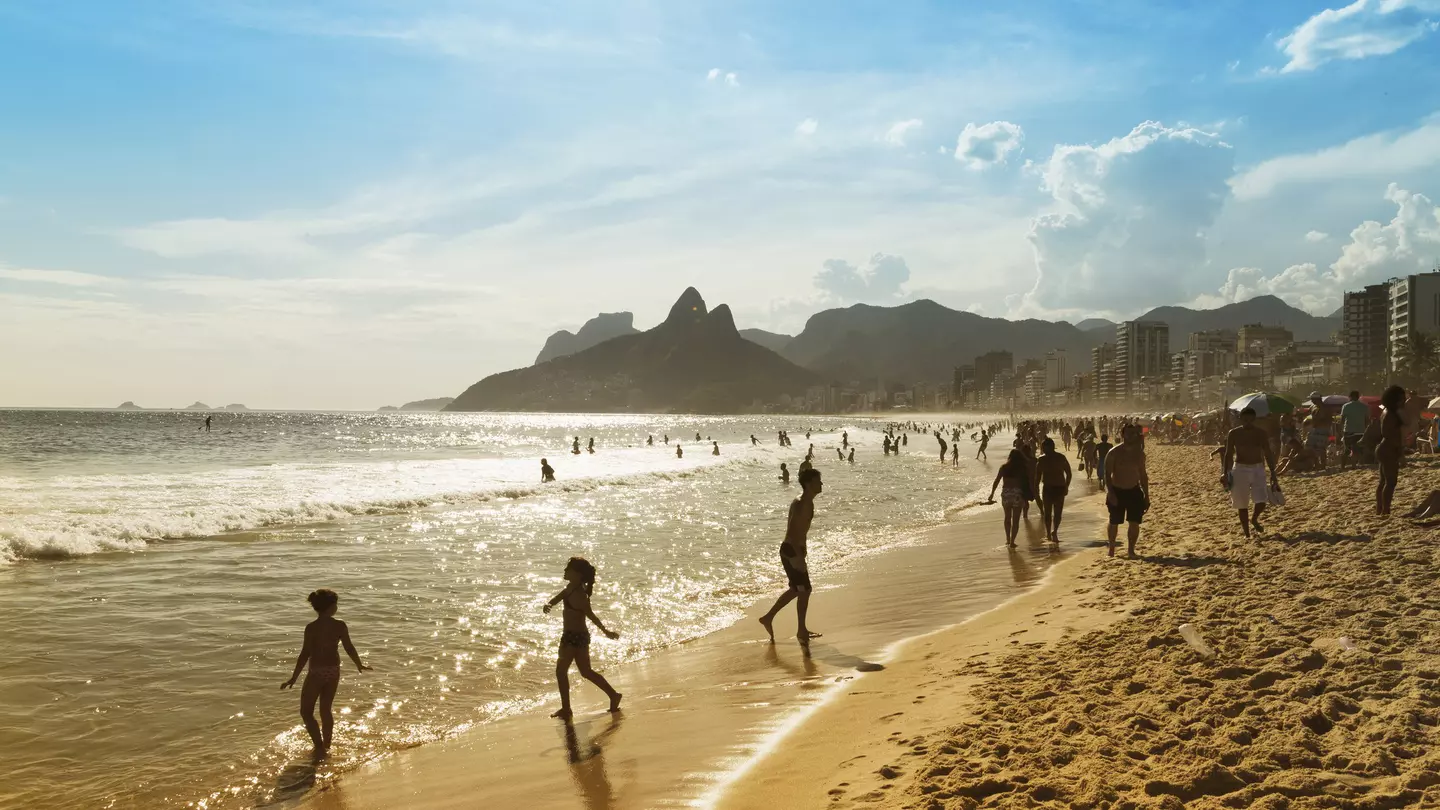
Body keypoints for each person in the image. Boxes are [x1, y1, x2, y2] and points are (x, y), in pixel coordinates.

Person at [280, 589, 371, 755]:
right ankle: (327, 745)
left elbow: (305, 653)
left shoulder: (311, 628)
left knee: (306, 712)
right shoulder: (340, 625)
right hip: (334, 671)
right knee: (325, 709)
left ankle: (319, 746)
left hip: (316, 672)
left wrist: (294, 677)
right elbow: (349, 647)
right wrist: (359, 664)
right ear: (331, 606)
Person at [543, 558, 622, 719]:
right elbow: (558, 598)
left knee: (561, 671)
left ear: (578, 575)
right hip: (579, 636)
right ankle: (613, 695)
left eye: (568, 568)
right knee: (585, 671)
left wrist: (605, 631)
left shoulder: (579, 594)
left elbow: (591, 615)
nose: (564, 570)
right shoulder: (571, 588)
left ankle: (567, 709)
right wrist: (549, 604)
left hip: (573, 637)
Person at [759, 468, 824, 645]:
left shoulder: (806, 502)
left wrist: (804, 549)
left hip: (794, 549)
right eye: (819, 481)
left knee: (798, 589)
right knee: (804, 590)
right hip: (791, 550)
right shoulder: (802, 503)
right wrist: (798, 556)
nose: (822, 484)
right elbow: (793, 532)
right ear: (810, 484)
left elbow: (801, 531)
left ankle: (768, 618)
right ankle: (800, 630)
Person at [1222, 407, 1280, 538]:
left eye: (1250, 419)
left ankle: (1254, 519)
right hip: (1240, 468)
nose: (1247, 422)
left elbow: (1267, 453)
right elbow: (1228, 454)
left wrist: (1273, 472)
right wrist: (1224, 472)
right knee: (1241, 503)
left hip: (1257, 468)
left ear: (1254, 419)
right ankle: (1246, 533)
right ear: (1241, 419)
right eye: (1245, 419)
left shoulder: (1261, 433)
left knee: (1261, 500)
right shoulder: (1234, 433)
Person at [1104, 425, 1149, 558]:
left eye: (1134, 434)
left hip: (1134, 491)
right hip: (1117, 491)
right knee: (1114, 521)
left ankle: (1131, 550)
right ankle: (1111, 549)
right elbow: (1107, 475)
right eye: (1128, 434)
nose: (1131, 436)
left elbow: (1143, 475)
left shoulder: (1139, 454)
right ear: (1123, 435)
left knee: (1134, 522)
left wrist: (1146, 495)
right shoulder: (1114, 452)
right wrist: (1111, 493)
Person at [987, 449, 1030, 548]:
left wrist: (992, 493)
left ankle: (1007, 538)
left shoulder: (1004, 467)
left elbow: (997, 480)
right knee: (1015, 520)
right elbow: (1026, 482)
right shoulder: (1022, 468)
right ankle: (1012, 541)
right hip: (1017, 495)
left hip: (1006, 494)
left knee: (1007, 518)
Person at [1035, 438, 1072, 545]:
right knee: (1047, 513)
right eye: (1043, 447)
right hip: (1048, 488)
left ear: (1051, 446)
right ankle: (1048, 532)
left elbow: (1069, 473)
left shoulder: (1060, 457)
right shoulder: (1041, 460)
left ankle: (1054, 531)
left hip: (1059, 488)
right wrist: (1036, 490)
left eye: (1045, 447)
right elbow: (1037, 477)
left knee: (1057, 513)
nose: (1044, 449)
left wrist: (1066, 486)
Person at [1377, 385, 1406, 516]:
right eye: (1402, 398)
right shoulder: (1391, 414)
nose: (1404, 400)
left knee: (1383, 481)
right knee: (1391, 482)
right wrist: (1400, 453)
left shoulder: (1386, 412)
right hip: (1389, 449)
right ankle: (1385, 510)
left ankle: (1380, 509)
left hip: (1384, 448)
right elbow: (1392, 436)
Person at [1338, 390, 1368, 470]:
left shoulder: (1346, 406)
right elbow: (1367, 420)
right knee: (1357, 449)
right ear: (1358, 397)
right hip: (1361, 431)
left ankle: (1342, 466)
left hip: (1349, 431)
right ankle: (1354, 465)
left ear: (1350, 397)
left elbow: (1342, 420)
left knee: (1346, 450)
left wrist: (1340, 430)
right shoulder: (1364, 406)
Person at [1306, 393, 1333, 469]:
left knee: (1321, 448)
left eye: (1312, 399)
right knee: (1312, 448)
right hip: (1315, 429)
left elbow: (1326, 420)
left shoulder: (1324, 408)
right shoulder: (1313, 407)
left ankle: (1323, 464)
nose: (1311, 400)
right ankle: (1317, 464)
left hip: (1323, 429)